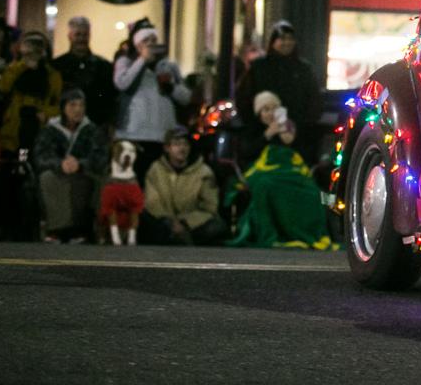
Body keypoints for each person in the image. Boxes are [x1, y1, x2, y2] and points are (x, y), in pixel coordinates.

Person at [226, 91, 332, 249]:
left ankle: (308, 233)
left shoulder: (290, 126)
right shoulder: (253, 130)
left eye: (274, 108)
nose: (270, 113)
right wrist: (268, 134)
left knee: (312, 191)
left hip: (291, 171)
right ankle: (273, 234)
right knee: (266, 186)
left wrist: (287, 134)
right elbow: (247, 152)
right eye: (265, 109)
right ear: (259, 113)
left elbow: (302, 152)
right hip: (264, 171)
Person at [113, 19, 191, 181]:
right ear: (137, 45)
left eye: (153, 40)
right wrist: (142, 60)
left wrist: (171, 87)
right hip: (134, 134)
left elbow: (186, 98)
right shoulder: (126, 61)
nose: (150, 44)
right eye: (145, 41)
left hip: (162, 135)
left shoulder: (168, 65)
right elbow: (122, 83)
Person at [236, 21, 321, 165]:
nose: (286, 43)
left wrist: (301, 125)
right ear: (273, 41)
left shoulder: (303, 69)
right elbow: (244, 97)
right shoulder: (259, 67)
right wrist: (257, 122)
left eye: (290, 39)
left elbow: (314, 100)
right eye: (282, 38)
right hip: (261, 133)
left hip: (297, 136)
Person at [34, 87, 107, 242]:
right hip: (59, 170)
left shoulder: (91, 130)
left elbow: (100, 157)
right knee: (48, 178)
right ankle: (56, 229)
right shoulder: (50, 130)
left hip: (82, 171)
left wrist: (80, 164)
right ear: (63, 108)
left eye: (81, 105)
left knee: (88, 180)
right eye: (72, 105)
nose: (78, 110)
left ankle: (80, 230)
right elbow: (41, 156)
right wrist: (60, 164)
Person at [139, 126, 227, 245]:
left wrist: (185, 222)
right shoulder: (155, 170)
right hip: (164, 224)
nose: (182, 148)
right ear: (167, 148)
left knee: (216, 226)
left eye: (185, 144)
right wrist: (170, 222)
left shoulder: (203, 171)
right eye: (176, 144)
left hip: (192, 225)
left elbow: (210, 206)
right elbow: (152, 202)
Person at [0, 31, 62, 159]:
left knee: (27, 160)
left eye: (37, 52)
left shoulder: (52, 75)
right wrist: (23, 64)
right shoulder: (14, 69)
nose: (33, 56)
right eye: (29, 52)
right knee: (15, 165)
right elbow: (3, 87)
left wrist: (45, 114)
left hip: (38, 129)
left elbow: (58, 104)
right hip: (13, 130)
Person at [52, 16, 115, 129]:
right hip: (63, 125)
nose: (81, 38)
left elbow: (110, 97)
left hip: (96, 124)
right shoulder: (57, 65)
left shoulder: (104, 65)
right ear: (70, 36)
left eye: (85, 35)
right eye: (78, 34)